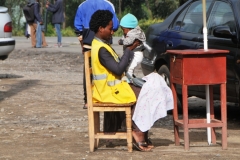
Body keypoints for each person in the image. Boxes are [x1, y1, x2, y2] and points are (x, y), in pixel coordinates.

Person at [89, 10, 174, 152]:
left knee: (155, 82)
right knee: (147, 92)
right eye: (110, 29)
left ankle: (140, 129)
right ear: (101, 29)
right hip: (109, 92)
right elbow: (118, 69)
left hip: (115, 88)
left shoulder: (102, 45)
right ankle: (138, 131)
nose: (112, 32)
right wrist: (129, 49)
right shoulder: (101, 49)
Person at [74, 0, 119, 109]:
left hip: (88, 43)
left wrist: (82, 40)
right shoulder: (108, 4)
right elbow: (115, 25)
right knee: (107, 70)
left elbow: (77, 26)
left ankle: (87, 100)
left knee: (88, 70)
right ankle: (108, 95)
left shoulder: (82, 5)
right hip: (104, 44)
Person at [118, 13, 146, 78]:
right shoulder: (132, 31)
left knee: (129, 69)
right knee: (129, 67)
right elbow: (125, 37)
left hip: (136, 54)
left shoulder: (133, 34)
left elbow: (128, 41)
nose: (123, 32)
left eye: (123, 30)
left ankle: (129, 82)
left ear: (129, 29)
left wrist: (122, 42)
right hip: (134, 53)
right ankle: (131, 78)